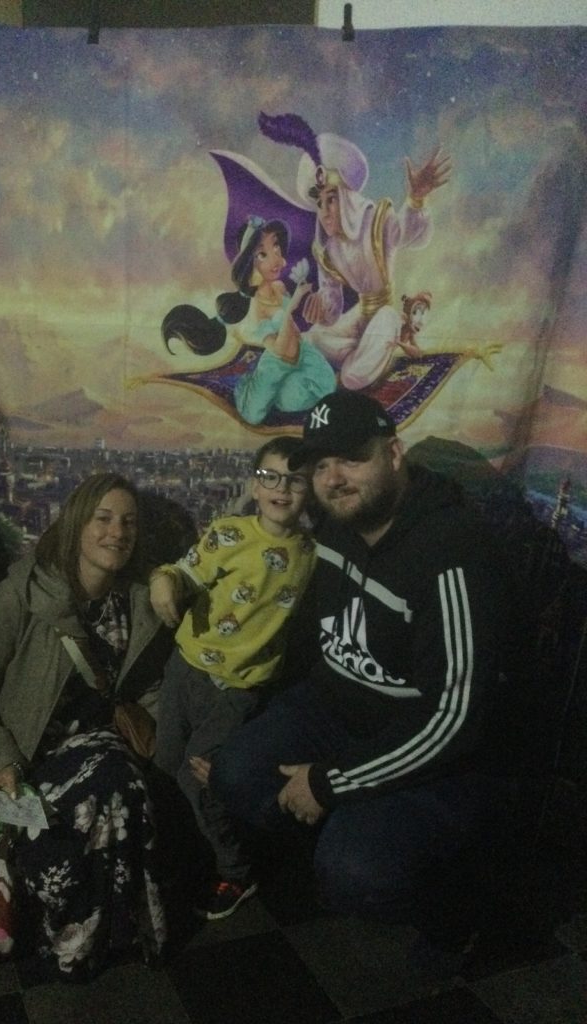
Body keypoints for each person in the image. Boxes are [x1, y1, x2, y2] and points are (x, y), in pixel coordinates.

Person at [208, 391, 518, 970]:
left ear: (394, 453)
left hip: (430, 748)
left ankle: (458, 912)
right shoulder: (337, 524)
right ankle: (342, 833)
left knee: (355, 871)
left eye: (352, 458)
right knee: (235, 773)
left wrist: (330, 784)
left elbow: (454, 719)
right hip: (334, 708)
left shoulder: (453, 553)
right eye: (321, 464)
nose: (333, 478)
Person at [0, 472, 174, 981]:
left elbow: (146, 689)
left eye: (128, 522)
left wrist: (174, 744)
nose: (117, 532)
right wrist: (2, 761)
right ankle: (67, 936)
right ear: (76, 524)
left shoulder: (136, 602)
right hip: (22, 754)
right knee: (81, 810)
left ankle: (93, 940)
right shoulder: (21, 596)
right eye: (103, 518)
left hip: (96, 745)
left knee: (117, 783)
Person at [150, 436, 316, 919]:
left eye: (295, 480)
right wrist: (164, 582)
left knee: (198, 779)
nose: (281, 489)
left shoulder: (313, 556)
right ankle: (179, 854)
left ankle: (235, 870)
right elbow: (186, 571)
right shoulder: (229, 533)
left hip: (238, 690)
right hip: (186, 669)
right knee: (165, 766)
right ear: (254, 484)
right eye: (270, 477)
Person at [257, 112, 451, 390]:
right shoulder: (329, 250)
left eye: (331, 200)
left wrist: (416, 198)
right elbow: (333, 307)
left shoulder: (377, 221)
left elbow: (413, 236)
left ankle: (361, 364)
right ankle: (364, 356)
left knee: (352, 376)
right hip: (360, 318)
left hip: (385, 315)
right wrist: (320, 310)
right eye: (320, 204)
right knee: (313, 340)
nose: (324, 212)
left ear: (348, 198)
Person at [161, 216, 336, 426]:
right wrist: (291, 308)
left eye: (276, 248)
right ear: (249, 263)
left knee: (324, 385)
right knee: (254, 414)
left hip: (302, 354)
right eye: (262, 254)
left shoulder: (280, 287)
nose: (275, 259)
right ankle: (248, 384)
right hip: (277, 363)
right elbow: (281, 352)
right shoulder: (256, 308)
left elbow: (295, 334)